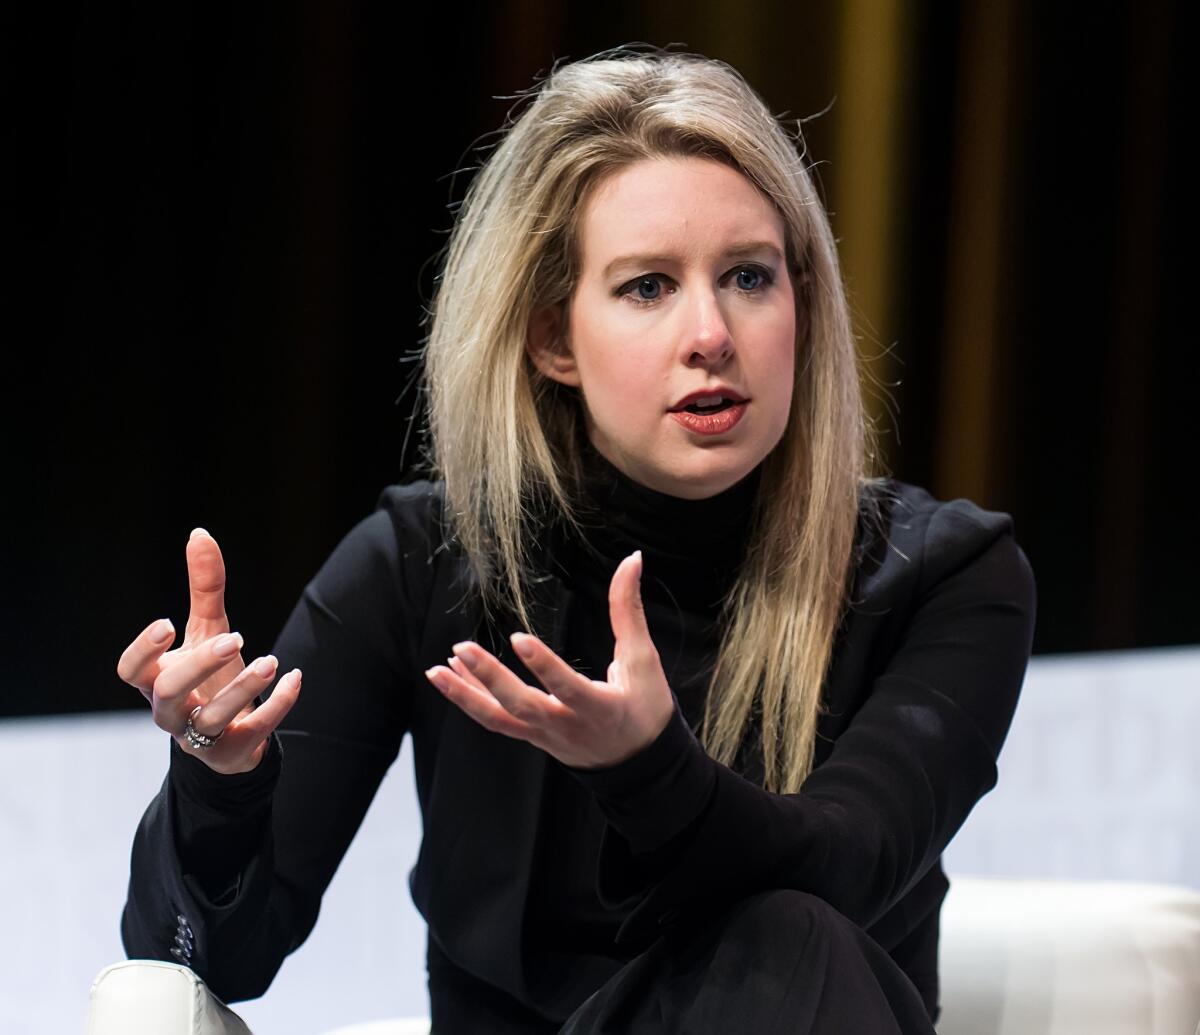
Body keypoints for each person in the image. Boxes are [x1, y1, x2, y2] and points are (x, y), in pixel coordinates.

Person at [117, 45, 1036, 1034]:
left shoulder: (943, 576)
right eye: (647, 287)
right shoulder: (425, 565)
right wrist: (221, 781)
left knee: (790, 935)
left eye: (748, 277)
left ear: (803, 307)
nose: (711, 333)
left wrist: (647, 767)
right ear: (555, 338)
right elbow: (217, 961)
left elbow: (847, 868)